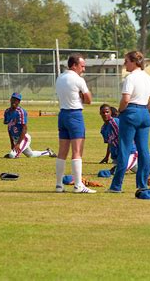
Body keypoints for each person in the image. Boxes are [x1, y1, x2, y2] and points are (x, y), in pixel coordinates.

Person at [108, 51, 150, 195]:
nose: (125, 64)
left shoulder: (130, 78)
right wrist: (145, 111)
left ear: (133, 62)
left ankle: (116, 186)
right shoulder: (148, 78)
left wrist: (120, 111)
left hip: (130, 112)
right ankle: (142, 184)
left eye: (126, 61)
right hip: (144, 113)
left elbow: (126, 99)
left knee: (124, 149)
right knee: (144, 150)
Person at [55, 53, 94, 194]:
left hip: (63, 114)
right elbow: (89, 99)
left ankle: (59, 185)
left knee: (62, 152)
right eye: (82, 66)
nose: (83, 69)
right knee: (77, 152)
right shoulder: (78, 79)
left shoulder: (60, 77)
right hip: (75, 115)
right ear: (74, 65)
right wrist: (80, 96)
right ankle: (78, 185)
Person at [99, 103, 150, 173]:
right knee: (138, 169)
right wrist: (107, 157)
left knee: (120, 169)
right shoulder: (103, 129)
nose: (105, 114)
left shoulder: (115, 122)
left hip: (130, 152)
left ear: (111, 113)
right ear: (100, 114)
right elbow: (110, 144)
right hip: (119, 155)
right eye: (103, 112)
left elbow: (126, 137)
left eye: (107, 112)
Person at [3, 92, 57, 159]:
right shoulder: (7, 112)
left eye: (17, 100)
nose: (14, 101)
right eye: (13, 99)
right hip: (16, 139)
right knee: (30, 155)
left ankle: (12, 154)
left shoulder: (21, 112)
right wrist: (12, 143)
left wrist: (18, 144)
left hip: (24, 138)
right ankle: (48, 152)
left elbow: (24, 128)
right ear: (10, 99)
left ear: (19, 102)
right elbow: (9, 128)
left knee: (13, 155)